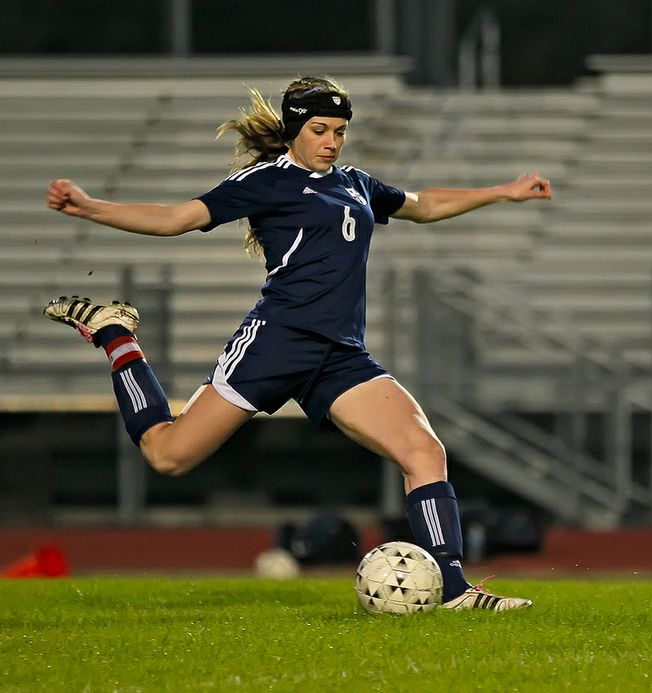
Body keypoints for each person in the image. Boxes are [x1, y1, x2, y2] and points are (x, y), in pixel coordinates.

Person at [44, 75, 552, 611]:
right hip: (275, 345)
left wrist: (503, 192)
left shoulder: (355, 183)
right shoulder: (266, 181)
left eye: (339, 130)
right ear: (293, 131)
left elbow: (423, 205)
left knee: (424, 451)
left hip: (339, 356)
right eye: (319, 129)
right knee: (168, 455)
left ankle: (454, 591)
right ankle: (115, 333)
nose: (331, 141)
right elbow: (177, 217)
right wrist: (90, 206)